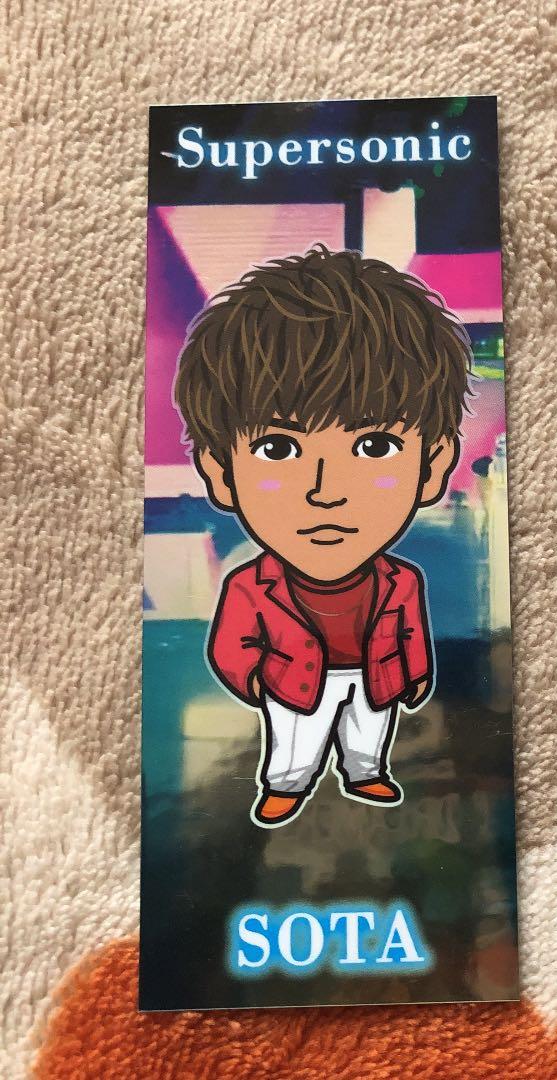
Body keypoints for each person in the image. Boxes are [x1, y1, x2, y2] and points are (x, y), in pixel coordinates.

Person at [173, 246, 470, 828]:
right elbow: (232, 645)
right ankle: (285, 786)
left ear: (432, 467)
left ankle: (367, 773)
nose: (325, 490)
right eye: (278, 448)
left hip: (373, 675)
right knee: (294, 740)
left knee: (370, 732)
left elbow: (411, 630)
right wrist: (254, 682)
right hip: (293, 683)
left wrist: (415, 676)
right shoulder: (250, 585)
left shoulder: (404, 579)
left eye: (374, 447)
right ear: (220, 472)